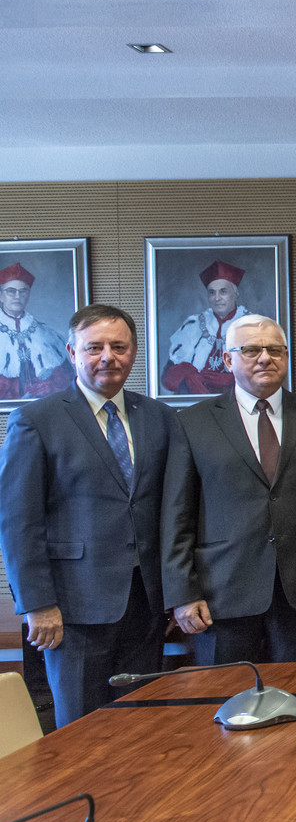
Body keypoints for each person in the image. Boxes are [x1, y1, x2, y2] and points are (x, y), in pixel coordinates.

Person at [0, 305, 175, 726]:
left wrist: (175, 593)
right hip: (72, 609)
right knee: (81, 729)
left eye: (119, 346)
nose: (107, 356)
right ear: (71, 352)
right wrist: (37, 605)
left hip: (146, 604)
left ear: (133, 352)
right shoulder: (36, 420)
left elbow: (172, 509)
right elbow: (18, 522)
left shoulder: (159, 417)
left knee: (142, 726)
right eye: (94, 347)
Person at [162, 314, 296, 664]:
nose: (265, 358)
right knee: (226, 695)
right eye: (251, 350)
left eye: (275, 350)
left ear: (286, 356)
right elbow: (177, 515)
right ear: (227, 359)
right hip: (221, 595)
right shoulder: (192, 422)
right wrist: (182, 593)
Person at [163, 260, 251, 395]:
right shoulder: (194, 325)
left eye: (223, 292)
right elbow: (166, 379)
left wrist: (233, 379)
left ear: (235, 293)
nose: (217, 298)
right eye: (212, 293)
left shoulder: (251, 324)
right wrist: (187, 373)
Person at [0, 262, 72, 400]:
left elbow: (66, 378)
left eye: (23, 291)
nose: (17, 296)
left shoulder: (46, 334)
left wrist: (49, 385)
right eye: (11, 291)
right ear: (1, 296)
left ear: (28, 295)